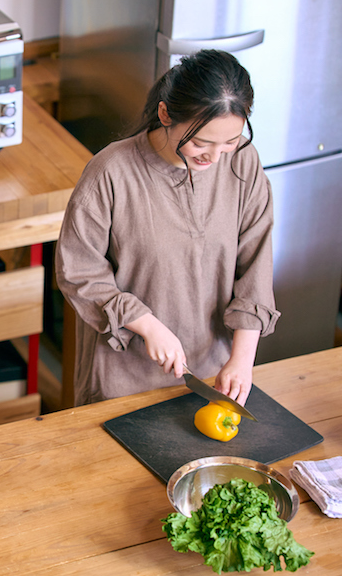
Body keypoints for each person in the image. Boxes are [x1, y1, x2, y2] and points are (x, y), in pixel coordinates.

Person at [55, 49, 279, 407]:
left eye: (229, 142)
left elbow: (256, 266)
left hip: (213, 374)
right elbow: (78, 271)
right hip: (123, 379)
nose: (214, 157)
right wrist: (146, 323)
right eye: (201, 143)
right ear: (165, 114)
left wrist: (242, 360)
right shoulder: (111, 172)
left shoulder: (243, 164)